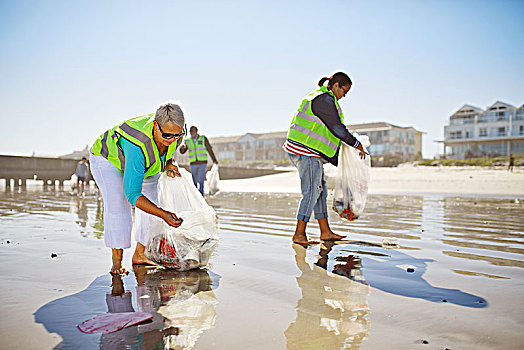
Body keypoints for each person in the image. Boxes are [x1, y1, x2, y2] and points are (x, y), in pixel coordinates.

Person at [89, 102, 186, 275]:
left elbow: (167, 151)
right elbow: (132, 194)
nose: (172, 140)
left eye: (176, 136)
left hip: (144, 162)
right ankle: (116, 262)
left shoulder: (174, 132)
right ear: (156, 126)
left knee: (152, 204)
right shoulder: (137, 145)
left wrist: (169, 164)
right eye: (167, 135)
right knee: (119, 205)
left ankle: (140, 253)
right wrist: (164, 214)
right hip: (108, 159)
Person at [283, 72, 368, 245]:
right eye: (345, 91)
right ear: (336, 85)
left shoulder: (327, 100)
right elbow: (336, 128)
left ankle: (325, 232)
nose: (344, 95)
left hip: (311, 152)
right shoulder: (324, 100)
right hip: (304, 151)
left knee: (320, 191)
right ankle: (299, 234)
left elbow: (331, 131)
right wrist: (356, 143)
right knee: (312, 191)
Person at [179, 126, 218, 195]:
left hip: (202, 162)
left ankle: (201, 195)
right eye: (190, 132)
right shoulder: (188, 141)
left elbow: (209, 149)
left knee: (200, 180)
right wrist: (182, 148)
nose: (192, 134)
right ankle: (195, 196)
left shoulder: (203, 139)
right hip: (193, 163)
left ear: (196, 131)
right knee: (194, 181)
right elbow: (182, 152)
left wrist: (214, 159)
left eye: (193, 132)